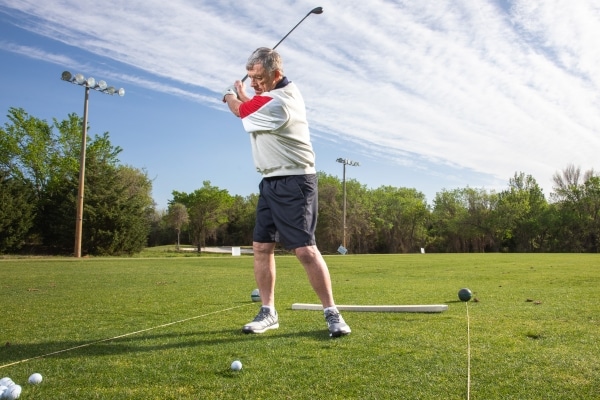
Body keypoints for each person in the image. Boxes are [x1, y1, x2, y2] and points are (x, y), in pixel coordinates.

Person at [222, 47, 351, 337]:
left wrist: (230, 93)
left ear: (276, 73)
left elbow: (242, 110)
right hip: (270, 181)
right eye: (251, 77)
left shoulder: (281, 102)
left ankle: (332, 313)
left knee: (305, 249)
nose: (253, 82)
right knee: (261, 247)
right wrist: (245, 95)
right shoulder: (270, 95)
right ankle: (269, 312)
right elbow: (254, 103)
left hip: (295, 180)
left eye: (258, 77)